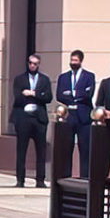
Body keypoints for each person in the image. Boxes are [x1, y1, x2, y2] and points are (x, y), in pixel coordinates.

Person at [11, 54, 52, 187]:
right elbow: (18, 97)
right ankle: (20, 180)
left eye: (35, 63)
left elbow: (48, 97)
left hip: (39, 119)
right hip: (23, 118)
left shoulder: (44, 80)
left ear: (38, 64)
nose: (32, 65)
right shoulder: (19, 79)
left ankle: (40, 180)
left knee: (41, 150)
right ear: (27, 63)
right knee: (21, 149)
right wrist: (31, 95)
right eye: (30, 63)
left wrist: (33, 94)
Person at [55, 49, 95, 176]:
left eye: (75, 60)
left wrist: (72, 95)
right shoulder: (63, 77)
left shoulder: (89, 76)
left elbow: (88, 94)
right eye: (71, 60)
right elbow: (60, 95)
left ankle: (85, 177)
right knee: (66, 149)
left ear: (81, 61)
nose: (73, 63)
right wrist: (74, 98)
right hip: (69, 117)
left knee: (85, 150)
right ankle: (66, 176)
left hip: (84, 118)